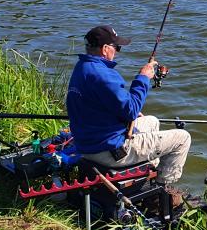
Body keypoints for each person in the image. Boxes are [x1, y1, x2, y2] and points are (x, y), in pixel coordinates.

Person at [65, 25, 191, 192]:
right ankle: (163, 189)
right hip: (108, 151)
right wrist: (143, 78)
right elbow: (131, 110)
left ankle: (148, 168)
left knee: (152, 121)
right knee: (182, 138)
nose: (117, 51)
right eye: (116, 47)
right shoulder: (103, 75)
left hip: (88, 143)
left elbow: (98, 104)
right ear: (105, 49)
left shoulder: (83, 67)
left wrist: (124, 111)